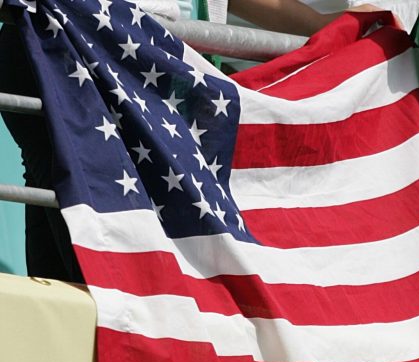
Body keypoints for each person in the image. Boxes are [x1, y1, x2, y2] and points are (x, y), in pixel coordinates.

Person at [0, 1, 390, 282]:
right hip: (75, 47)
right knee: (91, 208)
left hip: (148, 68)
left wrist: (329, 24)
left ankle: (70, 349)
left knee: (69, 192)